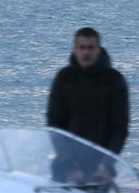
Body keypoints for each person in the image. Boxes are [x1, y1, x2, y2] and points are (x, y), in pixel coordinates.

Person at [46, 27, 130, 184]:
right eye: (82, 47)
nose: (86, 53)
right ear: (75, 49)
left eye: (91, 48)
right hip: (65, 165)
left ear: (99, 50)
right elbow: (54, 123)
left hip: (100, 169)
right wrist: (70, 165)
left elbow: (120, 128)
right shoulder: (64, 78)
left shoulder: (114, 81)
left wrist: (105, 165)